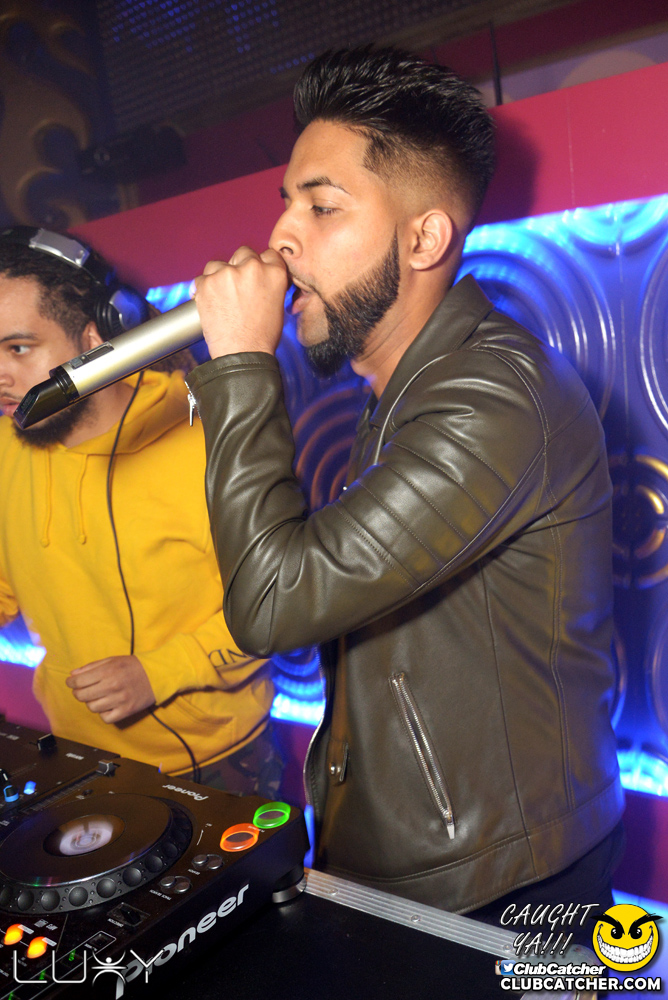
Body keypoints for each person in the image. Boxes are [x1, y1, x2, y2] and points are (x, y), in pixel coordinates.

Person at [186, 46, 624, 920]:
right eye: (287, 204)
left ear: (425, 238)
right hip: (417, 862)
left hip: (504, 884)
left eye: (322, 206)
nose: (282, 237)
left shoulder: (493, 396)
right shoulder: (406, 393)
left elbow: (273, 601)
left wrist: (238, 365)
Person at [0, 227, 279, 795]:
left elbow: (279, 606)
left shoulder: (207, 441)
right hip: (77, 756)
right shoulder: (8, 444)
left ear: (94, 338)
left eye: (18, 348)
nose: (0, 375)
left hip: (215, 762)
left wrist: (159, 673)